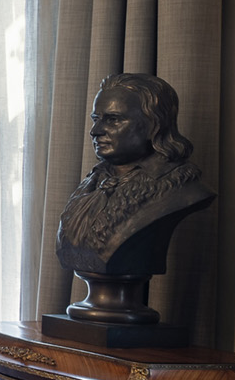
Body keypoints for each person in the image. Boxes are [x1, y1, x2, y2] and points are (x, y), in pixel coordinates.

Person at [55, 72, 215, 275]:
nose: (95, 130)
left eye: (113, 120)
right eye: (96, 119)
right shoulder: (93, 182)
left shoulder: (183, 188)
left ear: (153, 125)